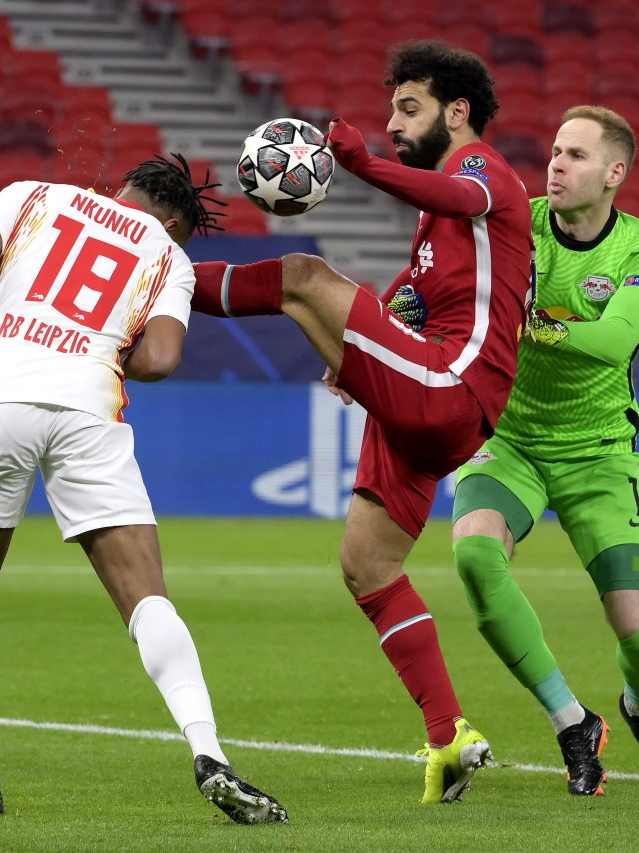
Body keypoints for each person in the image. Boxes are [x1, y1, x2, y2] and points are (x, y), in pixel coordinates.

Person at [0, 156, 288, 825]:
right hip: (87, 408)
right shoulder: (168, 257)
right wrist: (89, 352)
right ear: (176, 223)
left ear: (122, 191)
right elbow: (159, 358)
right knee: (146, 596)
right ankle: (209, 752)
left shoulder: (33, 193)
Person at [190, 40, 535, 803]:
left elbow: (460, 203)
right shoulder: (437, 223)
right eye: (389, 111)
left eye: (407, 108)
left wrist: (360, 165)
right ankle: (449, 738)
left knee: (304, 276)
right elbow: (415, 297)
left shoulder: (482, 172)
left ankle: (157, 274)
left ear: (457, 112)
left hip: (452, 382)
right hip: (433, 393)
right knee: (367, 566)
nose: (392, 122)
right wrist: (350, 347)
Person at [452, 105, 639, 796]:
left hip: (600, 454)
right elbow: (436, 288)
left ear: (615, 173)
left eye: (577, 155)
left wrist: (532, 325)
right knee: (473, 553)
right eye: (556, 151)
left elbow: (614, 342)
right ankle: (571, 720)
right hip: (511, 440)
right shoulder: (511, 224)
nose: (557, 163)